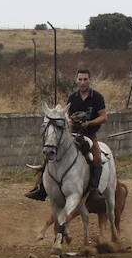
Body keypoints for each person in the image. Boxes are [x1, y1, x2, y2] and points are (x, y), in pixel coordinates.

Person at [26, 69, 108, 200]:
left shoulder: (97, 97)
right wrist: (69, 122)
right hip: (72, 133)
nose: (82, 82)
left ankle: (93, 190)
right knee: (49, 153)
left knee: (97, 158)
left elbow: (103, 117)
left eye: (85, 79)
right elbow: (67, 117)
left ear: (89, 80)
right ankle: (41, 188)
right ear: (76, 81)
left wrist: (89, 123)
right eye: (80, 79)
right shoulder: (72, 98)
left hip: (90, 134)